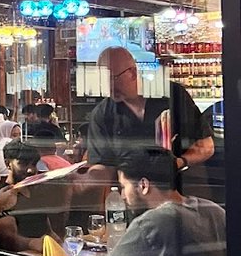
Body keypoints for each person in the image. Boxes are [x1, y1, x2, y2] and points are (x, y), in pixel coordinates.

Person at [98, 147, 226, 256]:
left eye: (124, 187)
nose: (123, 196)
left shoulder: (151, 223)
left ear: (143, 185)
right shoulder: (214, 210)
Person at [87, 48, 213, 188]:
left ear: (132, 73)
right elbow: (102, 166)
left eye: (113, 79)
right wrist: (84, 179)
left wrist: (178, 163)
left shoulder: (172, 95)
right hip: (131, 195)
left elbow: (206, 146)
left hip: (180, 190)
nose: (108, 87)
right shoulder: (102, 114)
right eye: (102, 80)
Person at [0, 139, 68, 253]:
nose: (31, 170)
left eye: (34, 164)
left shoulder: (37, 193)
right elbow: (9, 239)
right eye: (23, 164)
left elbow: (48, 231)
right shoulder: (4, 197)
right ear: (8, 164)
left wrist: (63, 246)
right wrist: (32, 243)